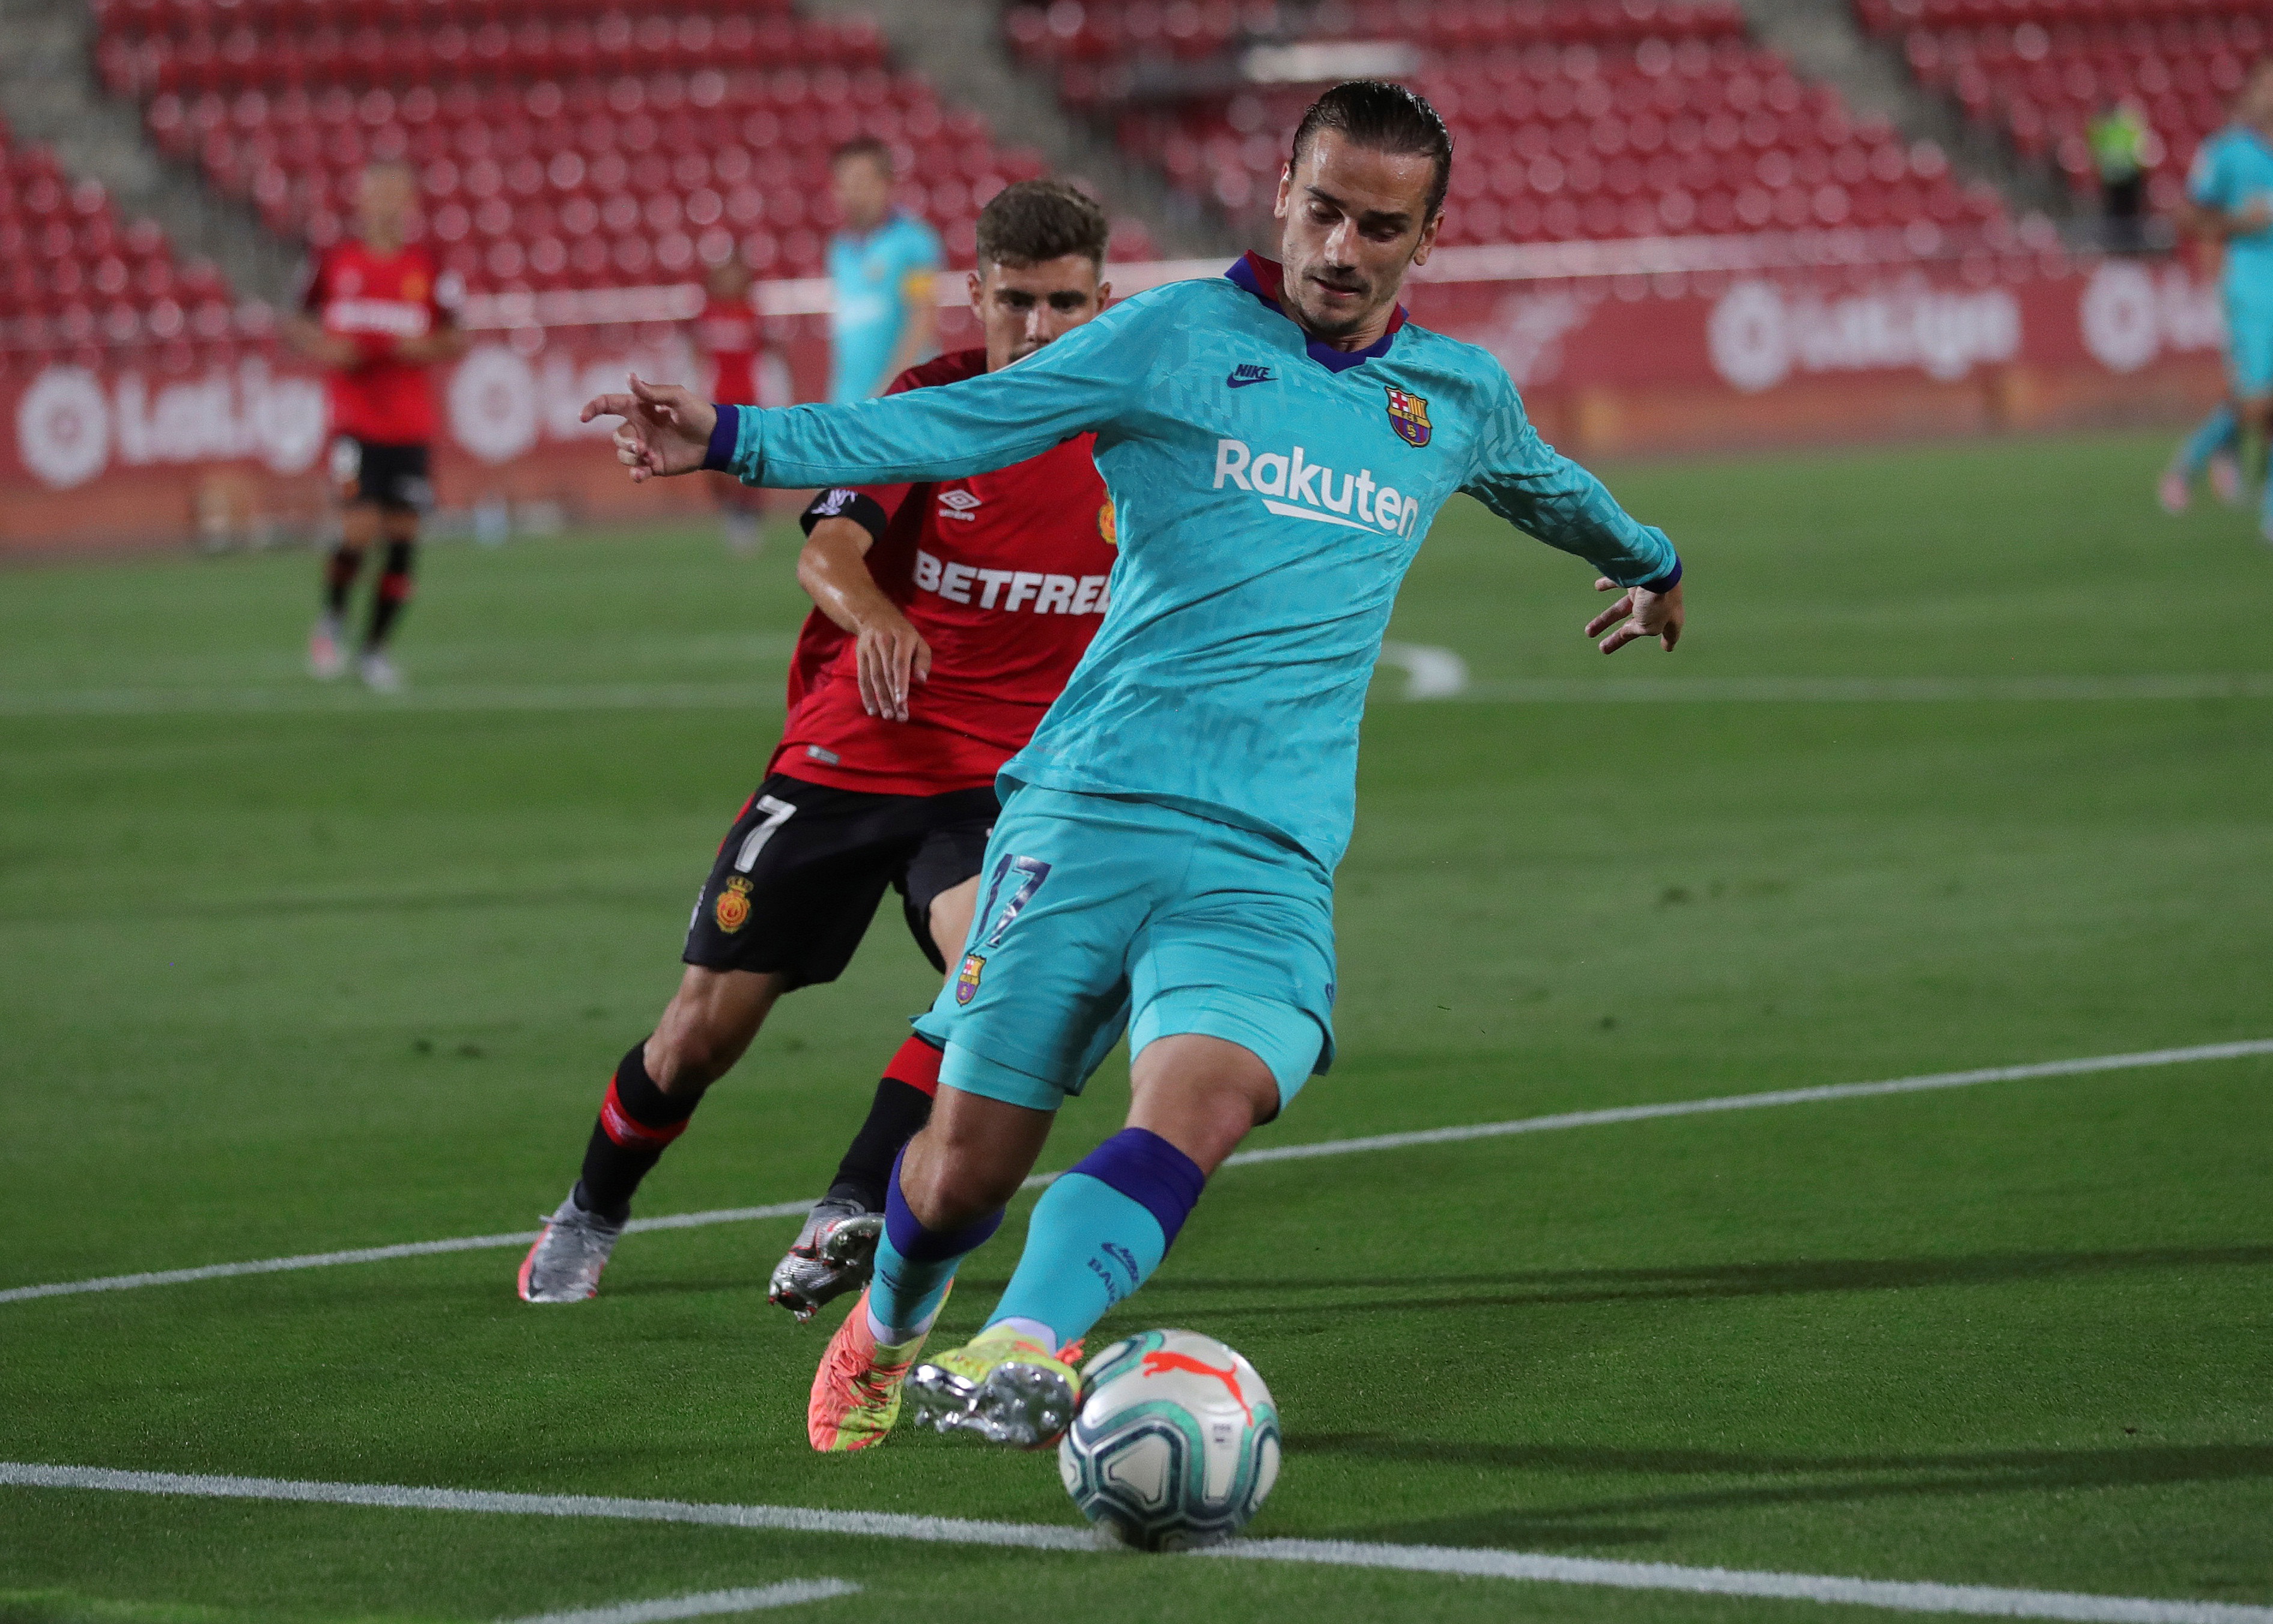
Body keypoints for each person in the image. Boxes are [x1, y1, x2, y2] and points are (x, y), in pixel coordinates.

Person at [581, 80, 1688, 1454]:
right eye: (1324, 211)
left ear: (1429, 239)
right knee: (960, 1167)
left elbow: (1550, 487)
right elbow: (951, 426)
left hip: (1266, 849)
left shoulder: (1452, 396)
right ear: (1281, 194)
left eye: (1379, 227)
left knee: (1208, 1096)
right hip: (1083, 811)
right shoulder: (1165, 334)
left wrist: (1650, 562)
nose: (1342, 249)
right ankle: (891, 1319)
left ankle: (1025, 1344)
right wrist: (736, 440)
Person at [518, 181, 1123, 1327]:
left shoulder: (1131, 438)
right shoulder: (934, 403)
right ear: (976, 294)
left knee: (1000, 974)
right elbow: (829, 549)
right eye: (1015, 303)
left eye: (1063, 304)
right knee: (699, 1033)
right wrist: (875, 612)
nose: (1038, 330)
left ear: (1104, 299)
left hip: (992, 788)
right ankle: (593, 1206)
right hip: (847, 758)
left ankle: (848, 1203)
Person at [287, 161, 467, 692]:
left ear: (409, 201)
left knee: (405, 536)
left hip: (410, 428)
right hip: (353, 426)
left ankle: (374, 651)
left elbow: (459, 336)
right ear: (361, 202)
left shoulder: (429, 267)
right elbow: (295, 320)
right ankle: (332, 620)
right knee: (357, 529)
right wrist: (323, 347)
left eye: (395, 193)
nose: (386, 204)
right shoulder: (333, 263)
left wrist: (423, 347)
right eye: (377, 193)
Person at [2159, 56, 2273, 553]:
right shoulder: (2226, 153)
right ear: (2251, 93)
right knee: (2256, 403)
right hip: (2253, 290)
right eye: (2270, 85)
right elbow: (2187, 216)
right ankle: (2189, 463)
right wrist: (2239, 225)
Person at [826, 137, 941, 404]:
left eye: (861, 182)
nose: (853, 193)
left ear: (887, 184)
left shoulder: (915, 241)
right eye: (844, 184)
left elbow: (923, 317)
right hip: (849, 403)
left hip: (901, 401)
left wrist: (890, 391)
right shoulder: (839, 248)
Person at [695, 255, 778, 556]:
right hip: (718, 400)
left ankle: (749, 518)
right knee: (714, 464)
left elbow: (771, 353)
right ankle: (732, 514)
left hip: (749, 399)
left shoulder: (752, 314)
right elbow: (698, 356)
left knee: (750, 461)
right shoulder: (708, 316)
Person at [2088, 97, 2156, 256]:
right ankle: (2120, 247)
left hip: (2123, 176)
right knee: (2119, 213)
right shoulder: (2117, 126)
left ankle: (2127, 247)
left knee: (2124, 213)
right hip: (2118, 176)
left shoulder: (2119, 126)